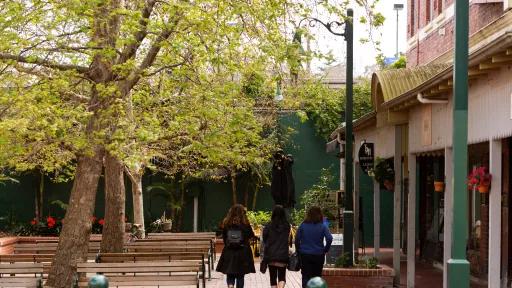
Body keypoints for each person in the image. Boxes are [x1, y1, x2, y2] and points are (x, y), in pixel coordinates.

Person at [216, 204, 256, 288]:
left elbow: (223, 237)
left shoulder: (226, 223)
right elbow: (251, 236)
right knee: (240, 275)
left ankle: (230, 285)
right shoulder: (245, 224)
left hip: (229, 251)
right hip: (243, 252)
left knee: (230, 273)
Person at [295, 206, 333, 288]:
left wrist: (299, 251)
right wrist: (325, 249)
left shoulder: (303, 225)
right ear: (320, 215)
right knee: (317, 277)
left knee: (305, 276)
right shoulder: (323, 226)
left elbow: (297, 239)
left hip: (305, 254)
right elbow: (329, 238)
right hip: (319, 254)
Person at [262, 205, 291, 288]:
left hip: (271, 255)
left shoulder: (268, 225)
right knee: (282, 277)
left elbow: (264, 239)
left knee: (272, 278)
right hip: (283, 255)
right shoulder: (287, 226)